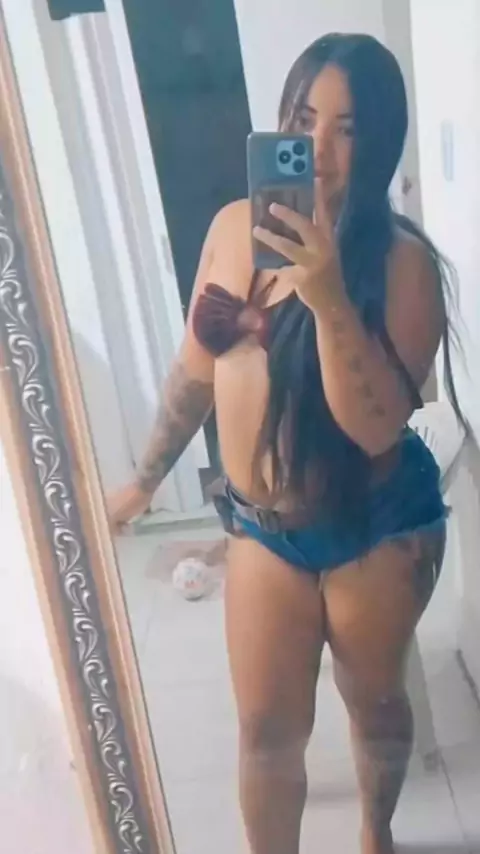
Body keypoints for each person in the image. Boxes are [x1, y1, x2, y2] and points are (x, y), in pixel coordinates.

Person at [108, 33, 466, 854]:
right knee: (266, 732)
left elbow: (374, 426)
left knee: (375, 706)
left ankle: (376, 831)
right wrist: (145, 478)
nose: (320, 148)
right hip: (263, 527)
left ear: (381, 143)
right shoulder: (233, 230)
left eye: (348, 128)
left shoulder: (406, 267)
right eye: (304, 120)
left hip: (376, 525)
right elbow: (195, 371)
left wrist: (327, 294)